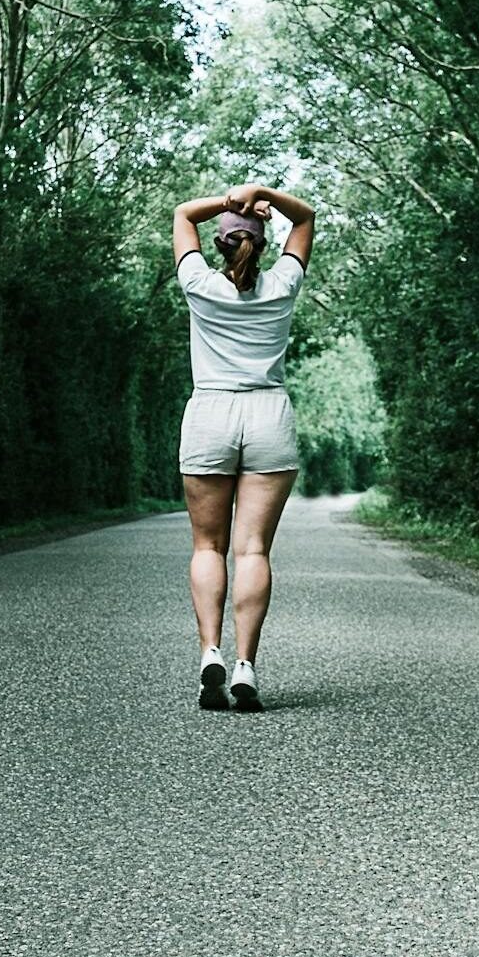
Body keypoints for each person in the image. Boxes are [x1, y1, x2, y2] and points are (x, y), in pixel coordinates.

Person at [171, 181, 316, 712]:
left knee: (208, 546)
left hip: (210, 413)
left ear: (222, 244)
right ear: (262, 242)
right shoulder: (281, 284)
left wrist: (231, 201)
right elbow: (306, 220)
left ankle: (209, 650)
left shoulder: (199, 284)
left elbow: (185, 212)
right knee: (252, 549)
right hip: (266, 414)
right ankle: (245, 664)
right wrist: (266, 195)